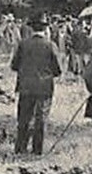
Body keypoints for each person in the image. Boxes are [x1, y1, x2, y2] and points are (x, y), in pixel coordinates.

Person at [10, 14, 61, 156]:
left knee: (24, 118)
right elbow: (58, 70)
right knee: (41, 119)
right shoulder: (50, 45)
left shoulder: (23, 44)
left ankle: (20, 148)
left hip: (25, 86)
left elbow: (14, 65)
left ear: (31, 28)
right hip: (44, 87)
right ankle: (37, 150)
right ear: (45, 29)